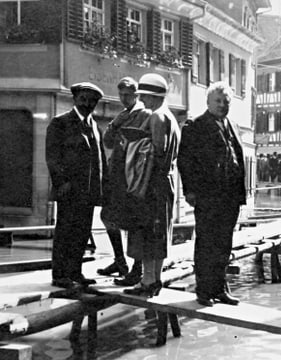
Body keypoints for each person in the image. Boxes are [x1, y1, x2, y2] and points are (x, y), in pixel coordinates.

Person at [178, 82, 246, 307]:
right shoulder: (195, 126)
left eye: (226, 102)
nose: (222, 105)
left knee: (224, 244)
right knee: (207, 242)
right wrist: (190, 190)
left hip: (230, 197)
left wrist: (240, 195)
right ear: (207, 102)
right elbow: (185, 161)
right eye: (218, 101)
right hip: (208, 195)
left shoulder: (232, 125)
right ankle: (204, 290)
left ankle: (220, 287)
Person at [122, 73, 180, 297]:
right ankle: (156, 279)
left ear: (154, 97)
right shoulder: (172, 118)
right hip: (167, 182)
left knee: (147, 231)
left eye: (145, 97)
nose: (143, 101)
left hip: (153, 182)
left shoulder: (156, 117)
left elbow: (156, 152)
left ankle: (147, 281)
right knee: (161, 232)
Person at [46, 82, 107, 288]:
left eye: (92, 101)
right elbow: (52, 157)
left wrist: (102, 189)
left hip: (88, 193)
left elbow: (100, 162)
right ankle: (60, 275)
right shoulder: (60, 123)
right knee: (65, 232)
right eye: (83, 99)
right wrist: (61, 182)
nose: (87, 104)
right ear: (75, 99)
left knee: (82, 233)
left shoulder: (95, 127)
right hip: (69, 191)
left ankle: (75, 272)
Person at [98, 77, 147, 282]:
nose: (124, 99)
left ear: (137, 95)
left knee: (134, 221)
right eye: (121, 95)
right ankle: (120, 260)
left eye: (128, 95)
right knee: (108, 216)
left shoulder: (143, 115)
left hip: (132, 175)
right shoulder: (123, 115)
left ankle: (137, 267)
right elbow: (108, 142)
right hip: (116, 174)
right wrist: (113, 124)